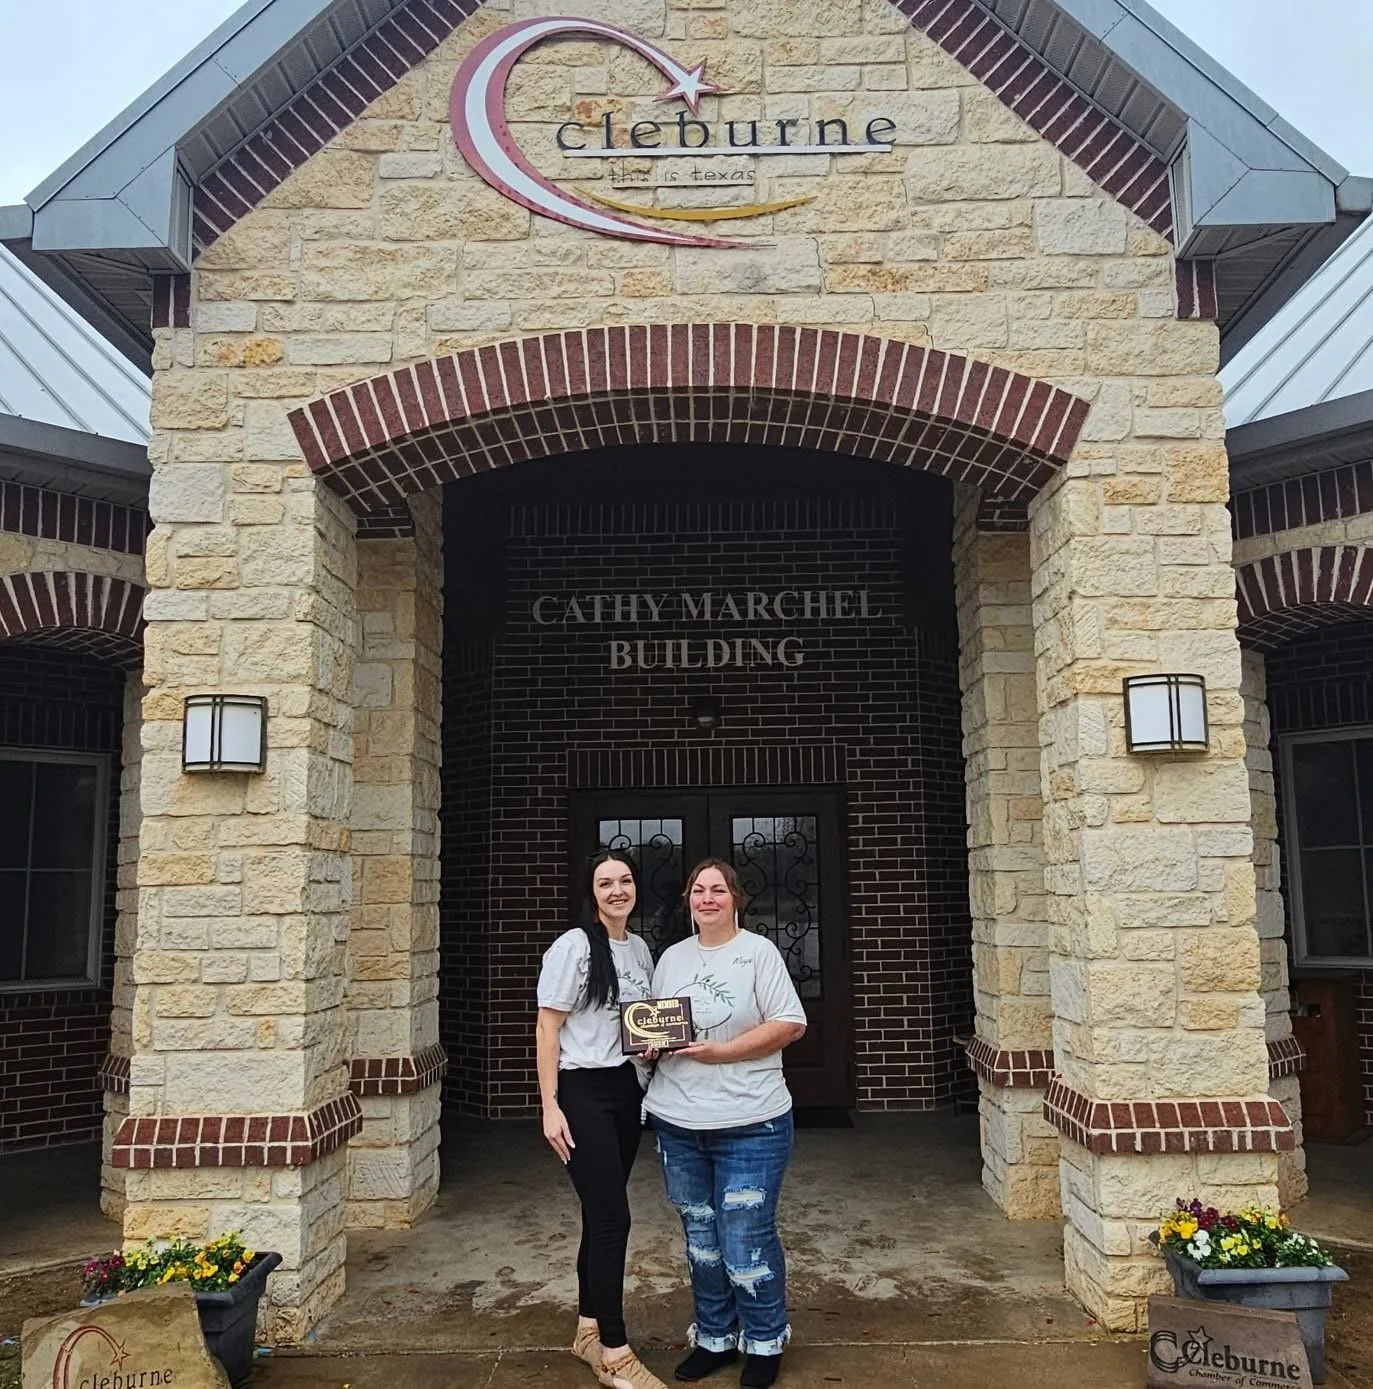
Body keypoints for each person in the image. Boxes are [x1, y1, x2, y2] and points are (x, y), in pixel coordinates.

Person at [645, 858, 808, 1388]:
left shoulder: (758, 954)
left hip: (751, 1120)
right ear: (688, 901)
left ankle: (763, 1339)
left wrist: (724, 1053)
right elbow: (659, 1027)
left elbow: (790, 1023)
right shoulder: (670, 958)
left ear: (736, 898)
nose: (707, 898)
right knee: (701, 1237)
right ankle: (714, 1336)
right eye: (698, 890)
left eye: (718, 889)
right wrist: (648, 1048)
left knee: (744, 1235)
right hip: (679, 1120)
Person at [537, 851, 669, 1389]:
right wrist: (550, 1106)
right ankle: (615, 1352)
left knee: (600, 1211)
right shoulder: (573, 947)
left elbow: (638, 1024)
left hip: (624, 1088)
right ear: (591, 893)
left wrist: (654, 1048)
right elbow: (548, 1029)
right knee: (615, 1219)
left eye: (626, 880)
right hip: (582, 1091)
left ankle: (588, 1329)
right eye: (606, 883)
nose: (618, 890)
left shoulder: (637, 948)